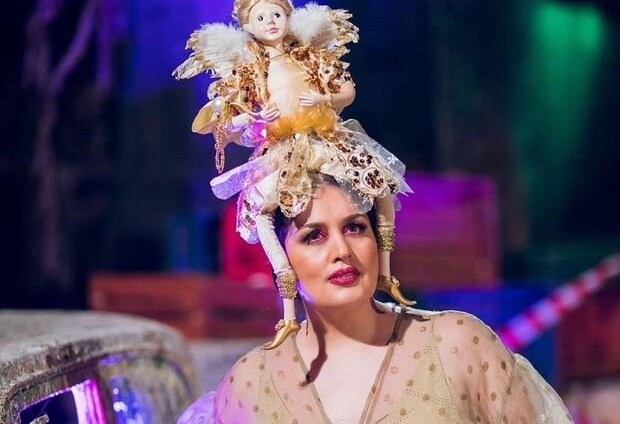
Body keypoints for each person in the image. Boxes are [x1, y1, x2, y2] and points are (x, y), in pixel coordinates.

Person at [177, 174, 573, 423]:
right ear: (281, 258)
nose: (342, 251)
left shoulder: (455, 344)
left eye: (354, 228)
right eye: (314, 236)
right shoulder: (250, 386)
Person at [173, 0, 412, 350]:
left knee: (381, 186)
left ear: (289, 16)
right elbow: (220, 124)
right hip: (281, 151)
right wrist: (253, 118)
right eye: (261, 17)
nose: (271, 22)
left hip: (323, 138)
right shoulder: (248, 72)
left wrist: (323, 100)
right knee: (263, 216)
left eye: (276, 14)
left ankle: (386, 275)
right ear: (248, 26)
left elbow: (346, 90)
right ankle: (287, 312)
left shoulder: (310, 56)